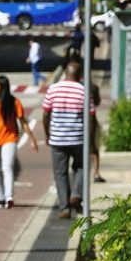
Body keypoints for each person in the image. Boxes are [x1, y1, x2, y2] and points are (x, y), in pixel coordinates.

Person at [42, 61, 92, 219]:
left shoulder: (53, 89)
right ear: (80, 75)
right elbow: (90, 116)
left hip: (58, 139)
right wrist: (90, 137)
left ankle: (64, 207)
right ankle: (76, 194)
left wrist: (47, 133)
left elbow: (45, 113)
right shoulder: (84, 91)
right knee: (81, 167)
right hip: (78, 138)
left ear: (65, 73)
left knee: (60, 173)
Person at [0, 75, 38, 209]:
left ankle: (9, 197)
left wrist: (32, 139)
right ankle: (0, 198)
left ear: (2, 87)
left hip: (9, 138)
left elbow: (23, 122)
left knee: (7, 166)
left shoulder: (14, 102)